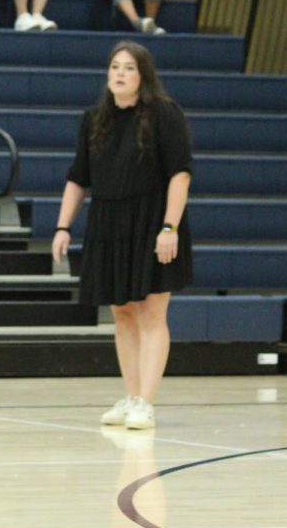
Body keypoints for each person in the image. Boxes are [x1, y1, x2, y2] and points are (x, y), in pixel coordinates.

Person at [51, 42, 192, 430]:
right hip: (108, 222)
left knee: (151, 312)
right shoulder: (95, 119)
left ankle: (146, 402)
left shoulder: (164, 114)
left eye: (129, 68)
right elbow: (78, 177)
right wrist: (63, 226)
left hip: (151, 220)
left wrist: (170, 227)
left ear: (142, 76)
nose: (120, 74)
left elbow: (180, 172)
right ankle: (131, 396)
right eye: (115, 67)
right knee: (121, 312)